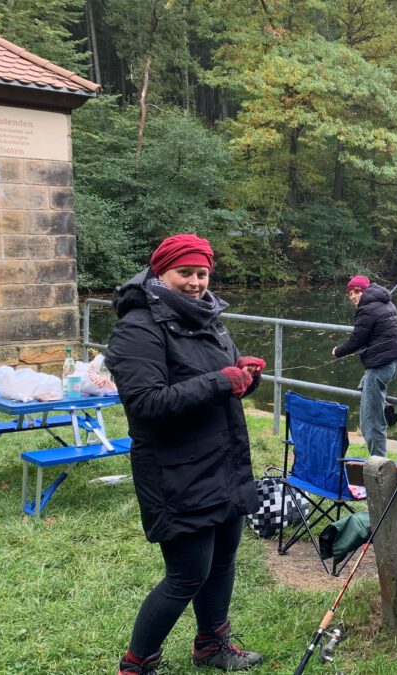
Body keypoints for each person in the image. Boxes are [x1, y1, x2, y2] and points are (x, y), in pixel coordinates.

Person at [106, 234, 266, 675]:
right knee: (186, 575)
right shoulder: (139, 327)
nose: (196, 282)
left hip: (224, 460)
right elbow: (146, 402)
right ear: (161, 272)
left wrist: (244, 377)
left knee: (224, 558)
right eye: (186, 273)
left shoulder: (211, 318)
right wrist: (221, 381)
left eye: (202, 273)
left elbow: (223, 376)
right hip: (174, 469)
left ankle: (211, 643)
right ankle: (136, 664)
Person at [332, 275, 397, 457]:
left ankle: (378, 462)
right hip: (394, 363)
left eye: (357, 291)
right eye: (350, 294)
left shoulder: (367, 309)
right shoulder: (386, 302)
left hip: (379, 366)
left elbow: (357, 340)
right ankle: (384, 405)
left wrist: (337, 351)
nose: (354, 296)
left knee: (370, 422)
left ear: (365, 290)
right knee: (365, 385)